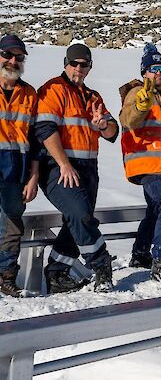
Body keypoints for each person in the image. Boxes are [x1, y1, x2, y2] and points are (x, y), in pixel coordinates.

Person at [36, 43, 119, 293]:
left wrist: (102, 124)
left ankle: (57, 273)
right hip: (57, 166)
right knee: (81, 215)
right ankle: (101, 265)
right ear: (66, 63)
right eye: (74, 63)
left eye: (84, 64)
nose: (79, 68)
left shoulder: (93, 97)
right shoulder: (53, 90)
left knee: (77, 221)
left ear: (90, 67)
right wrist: (63, 164)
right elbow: (44, 130)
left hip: (88, 168)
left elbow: (113, 133)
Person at [120, 44, 161, 288]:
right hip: (147, 163)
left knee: (156, 210)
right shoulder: (137, 93)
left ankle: (140, 253)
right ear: (144, 72)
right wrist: (141, 105)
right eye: (153, 68)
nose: (159, 73)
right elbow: (130, 119)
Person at [0, 35, 39, 297]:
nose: (13, 61)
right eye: (8, 55)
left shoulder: (29, 93)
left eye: (19, 57)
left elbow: (35, 140)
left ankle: (6, 278)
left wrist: (34, 176)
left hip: (16, 171)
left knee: (12, 227)